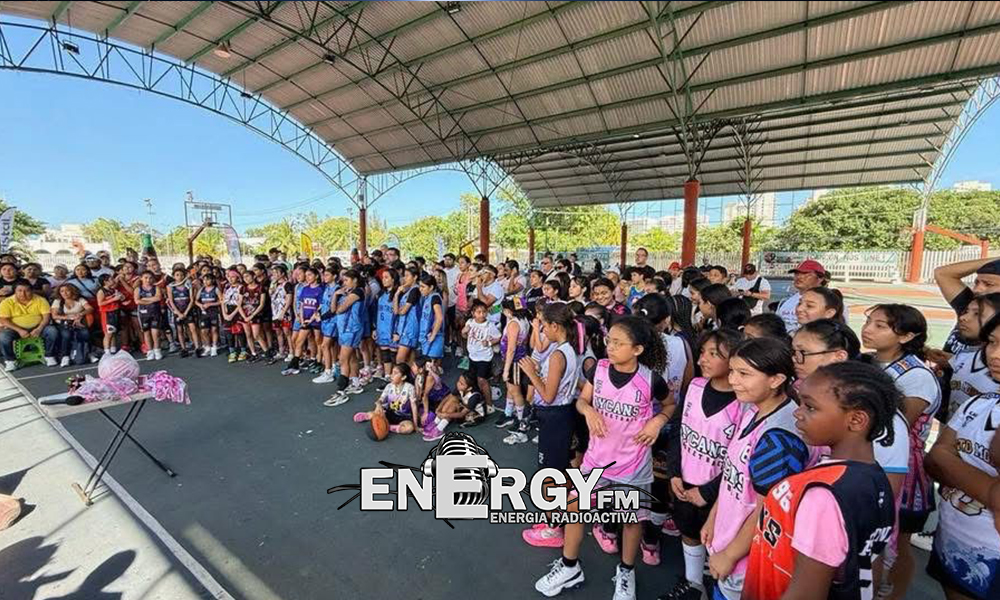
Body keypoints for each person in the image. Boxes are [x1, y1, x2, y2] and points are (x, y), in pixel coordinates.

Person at [533, 315, 669, 600]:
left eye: (619, 343)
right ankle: (570, 566)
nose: (611, 347)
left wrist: (657, 421)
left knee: (630, 520)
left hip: (632, 464)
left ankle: (626, 572)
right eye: (610, 341)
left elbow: (670, 404)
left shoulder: (651, 380)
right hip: (596, 459)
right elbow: (582, 400)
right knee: (575, 508)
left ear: (638, 349)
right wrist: (589, 411)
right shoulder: (599, 370)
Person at [743, 361, 897, 600]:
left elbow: (805, 593)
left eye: (811, 407)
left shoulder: (824, 496)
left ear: (856, 420)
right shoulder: (874, 477)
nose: (797, 412)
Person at [704, 337, 815, 600]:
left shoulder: (778, 439)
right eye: (732, 371)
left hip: (749, 557)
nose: (733, 380)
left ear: (776, 379)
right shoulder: (753, 406)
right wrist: (714, 516)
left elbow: (769, 509)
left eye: (744, 373)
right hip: (729, 538)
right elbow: (734, 473)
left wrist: (731, 554)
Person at [860, 304, 942, 600]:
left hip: (900, 470)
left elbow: (894, 426)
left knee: (896, 541)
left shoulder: (916, 376)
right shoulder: (869, 362)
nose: (868, 329)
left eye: (880, 326)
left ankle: (894, 593)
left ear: (907, 336)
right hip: (869, 460)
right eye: (869, 321)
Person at [659, 328, 743, 600]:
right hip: (686, 480)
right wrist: (673, 472)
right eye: (703, 352)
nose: (704, 359)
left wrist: (707, 492)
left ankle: (716, 588)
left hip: (720, 492)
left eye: (714, 354)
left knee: (718, 543)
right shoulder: (695, 386)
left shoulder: (744, 402)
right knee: (689, 532)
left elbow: (740, 461)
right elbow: (679, 430)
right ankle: (693, 583)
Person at [924, 311, 1000, 600]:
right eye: (992, 342)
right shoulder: (978, 404)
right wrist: (989, 488)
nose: (995, 354)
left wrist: (949, 461)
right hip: (953, 541)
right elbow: (933, 460)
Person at [519, 302, 582, 548]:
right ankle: (556, 518)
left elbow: (547, 394)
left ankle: (553, 528)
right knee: (561, 471)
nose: (542, 330)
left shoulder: (558, 354)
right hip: (561, 415)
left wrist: (532, 373)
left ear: (556, 326)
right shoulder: (566, 349)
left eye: (544, 325)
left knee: (549, 475)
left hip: (555, 416)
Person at [0, 280, 59, 370]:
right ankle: (10, 360)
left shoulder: (40, 300)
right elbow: (4, 320)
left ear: (31, 291)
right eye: (19, 291)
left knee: (52, 331)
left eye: (26, 291)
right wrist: (19, 330)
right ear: (15, 291)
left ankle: (49, 355)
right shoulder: (7, 302)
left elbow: (46, 317)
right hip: (15, 329)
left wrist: (39, 328)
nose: (23, 294)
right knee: (3, 337)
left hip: (38, 326)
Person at [327, 269, 366, 404]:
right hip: (343, 328)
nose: (345, 283)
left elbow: (340, 309)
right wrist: (335, 295)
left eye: (347, 280)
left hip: (352, 329)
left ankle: (341, 390)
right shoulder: (346, 293)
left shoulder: (358, 292)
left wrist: (339, 298)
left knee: (343, 359)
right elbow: (333, 310)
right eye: (343, 280)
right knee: (351, 358)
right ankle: (355, 383)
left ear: (355, 280)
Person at [496, 297, 532, 434]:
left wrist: (506, 370)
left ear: (509, 310)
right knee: (510, 388)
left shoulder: (513, 324)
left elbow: (511, 348)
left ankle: (521, 419)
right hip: (517, 359)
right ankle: (508, 413)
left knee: (515, 390)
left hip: (514, 361)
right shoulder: (523, 321)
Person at [353, 363, 419, 435]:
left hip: (404, 415)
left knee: (409, 428)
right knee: (378, 411)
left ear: (403, 377)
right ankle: (368, 415)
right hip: (390, 412)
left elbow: (414, 406)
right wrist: (378, 404)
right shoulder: (389, 386)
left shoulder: (410, 388)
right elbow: (381, 399)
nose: (392, 375)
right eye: (392, 373)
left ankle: (389, 427)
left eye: (395, 373)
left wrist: (416, 425)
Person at [422, 371, 484, 440]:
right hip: (464, 408)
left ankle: (439, 430)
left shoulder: (474, 396)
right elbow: (448, 397)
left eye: (461, 384)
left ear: (469, 388)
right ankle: (436, 422)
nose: (458, 384)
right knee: (452, 399)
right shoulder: (460, 388)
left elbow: (462, 414)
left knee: (452, 407)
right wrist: (438, 409)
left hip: (474, 415)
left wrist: (445, 415)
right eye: (458, 381)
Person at [463, 300, 501, 412]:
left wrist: (489, 343)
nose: (482, 314)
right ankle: (478, 400)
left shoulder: (489, 325)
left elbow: (498, 337)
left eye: (484, 312)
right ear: (473, 313)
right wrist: (464, 332)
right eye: (478, 312)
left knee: (482, 380)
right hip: (472, 355)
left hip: (484, 357)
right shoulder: (470, 322)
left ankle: (490, 405)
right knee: (473, 380)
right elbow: (464, 336)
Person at [775, 260, 829, 334]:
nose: (799, 277)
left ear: (820, 278)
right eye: (796, 273)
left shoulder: (830, 301)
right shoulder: (785, 301)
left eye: (805, 273)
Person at [49, 284, 93, 366]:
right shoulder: (58, 301)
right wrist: (68, 317)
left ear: (72, 291)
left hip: (78, 322)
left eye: (67, 290)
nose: (65, 293)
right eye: (62, 291)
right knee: (66, 335)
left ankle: (88, 353)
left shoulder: (80, 299)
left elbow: (90, 308)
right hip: (63, 323)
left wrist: (80, 314)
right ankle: (65, 356)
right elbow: (54, 316)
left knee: (85, 333)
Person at [167, 267, 199, 358]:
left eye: (181, 275)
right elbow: (171, 301)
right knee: (180, 330)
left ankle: (197, 348)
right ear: (173, 276)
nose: (179, 277)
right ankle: (183, 348)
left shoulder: (188, 285)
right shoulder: (170, 287)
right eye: (177, 275)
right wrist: (178, 313)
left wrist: (186, 312)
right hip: (177, 311)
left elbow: (192, 299)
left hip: (187, 310)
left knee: (192, 328)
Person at [393, 267, 422, 366]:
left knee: (399, 359)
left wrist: (401, 309)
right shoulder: (406, 291)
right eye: (404, 276)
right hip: (404, 327)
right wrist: (397, 294)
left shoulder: (415, 290)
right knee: (410, 359)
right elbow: (396, 311)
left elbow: (403, 311)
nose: (405, 278)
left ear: (415, 277)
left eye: (407, 276)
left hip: (410, 328)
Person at [134, 271, 165, 361]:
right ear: (141, 278)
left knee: (156, 333)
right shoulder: (138, 289)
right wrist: (151, 300)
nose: (148, 280)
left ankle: (157, 350)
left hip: (155, 312)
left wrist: (144, 299)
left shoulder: (156, 288)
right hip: (143, 313)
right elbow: (137, 301)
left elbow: (158, 298)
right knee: (146, 333)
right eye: (146, 277)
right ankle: (150, 351)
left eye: (150, 278)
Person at [417, 273, 445, 365]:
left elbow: (440, 317)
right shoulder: (427, 297)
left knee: (430, 368)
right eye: (420, 286)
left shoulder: (435, 298)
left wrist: (433, 335)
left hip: (434, 336)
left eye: (423, 287)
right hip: (427, 336)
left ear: (431, 287)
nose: (420, 289)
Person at [195, 273, 222, 357]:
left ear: (212, 280)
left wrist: (210, 304)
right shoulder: (201, 290)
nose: (206, 281)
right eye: (204, 280)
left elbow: (221, 301)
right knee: (204, 331)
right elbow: (196, 301)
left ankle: (214, 347)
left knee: (214, 330)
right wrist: (200, 305)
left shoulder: (216, 289)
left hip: (213, 312)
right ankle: (207, 347)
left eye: (208, 279)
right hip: (204, 313)